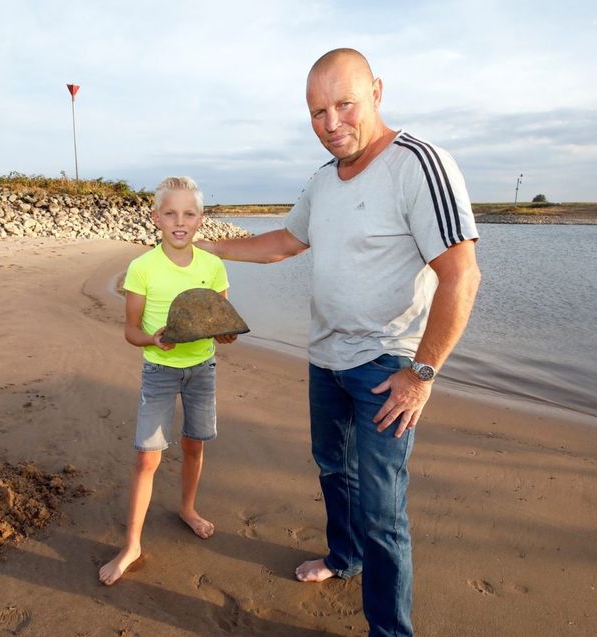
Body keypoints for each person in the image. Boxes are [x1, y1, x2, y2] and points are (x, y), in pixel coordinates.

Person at [196, 49, 481, 636]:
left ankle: (388, 630)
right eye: (317, 112)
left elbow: (462, 274)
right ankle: (343, 558)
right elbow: (284, 242)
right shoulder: (323, 180)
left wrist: (422, 373)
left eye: (344, 104)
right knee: (332, 468)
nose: (331, 124)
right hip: (324, 359)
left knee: (382, 511)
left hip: (387, 366)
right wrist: (208, 248)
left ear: (377, 90)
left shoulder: (419, 165)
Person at [98, 176, 237, 586]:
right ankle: (132, 544)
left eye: (189, 213)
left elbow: (220, 322)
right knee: (147, 456)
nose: (180, 221)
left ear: (200, 220)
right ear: (157, 217)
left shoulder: (213, 266)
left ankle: (188, 509)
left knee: (194, 444)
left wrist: (226, 334)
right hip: (158, 369)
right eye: (171, 213)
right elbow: (131, 331)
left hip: (202, 369)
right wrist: (153, 339)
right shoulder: (141, 267)